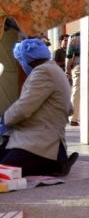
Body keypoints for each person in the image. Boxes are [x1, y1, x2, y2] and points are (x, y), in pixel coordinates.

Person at [0, 38, 78, 176]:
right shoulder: (54, 69)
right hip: (37, 136)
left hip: (39, 139)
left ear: (25, 60)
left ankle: (56, 164)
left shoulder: (43, 72)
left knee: (6, 169)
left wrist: (4, 119)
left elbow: (24, 107)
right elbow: (69, 108)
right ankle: (57, 161)